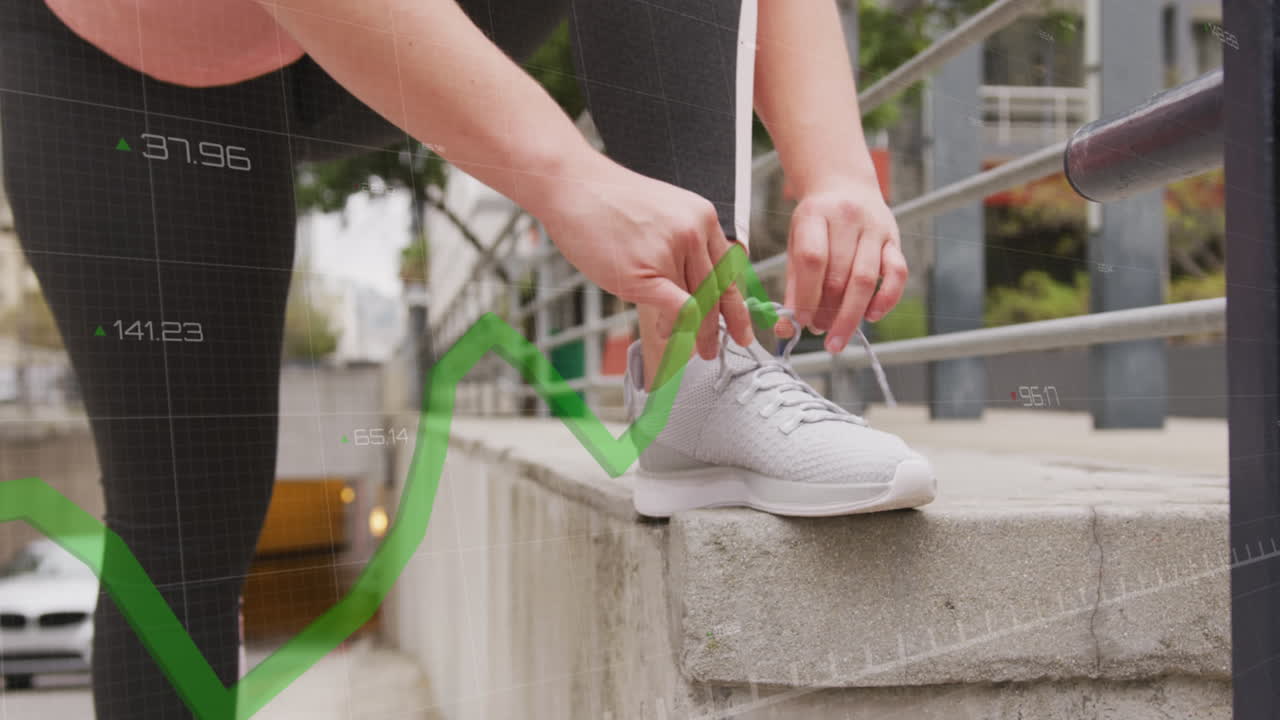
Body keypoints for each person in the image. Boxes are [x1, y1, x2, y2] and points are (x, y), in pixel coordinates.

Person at [0, 0, 933, 716]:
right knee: (183, 521)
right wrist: (569, 180)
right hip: (134, 48)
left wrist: (837, 171)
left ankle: (697, 370)